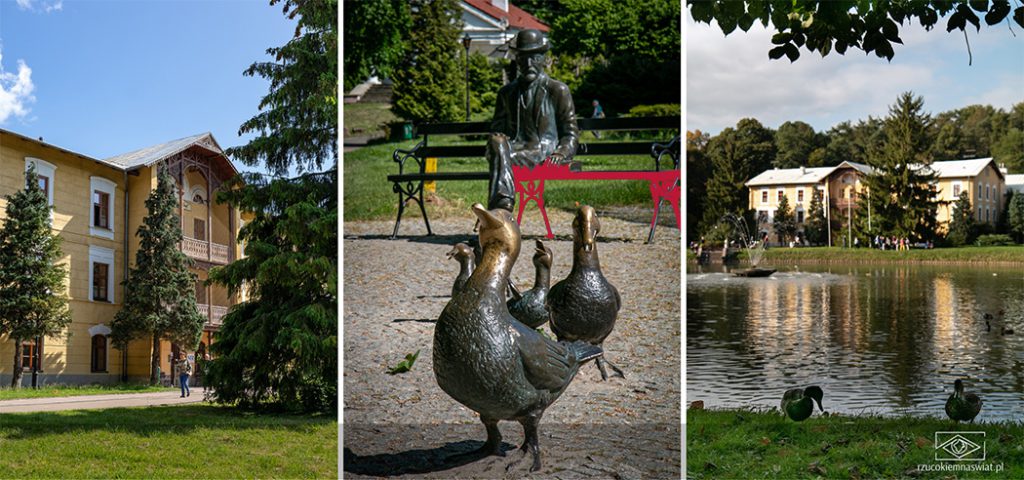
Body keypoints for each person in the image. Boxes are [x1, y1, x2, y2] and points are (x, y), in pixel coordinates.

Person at [486, 29, 579, 211]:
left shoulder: (557, 90)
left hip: (542, 152)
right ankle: (501, 208)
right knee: (497, 143)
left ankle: (499, 211)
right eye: (522, 57)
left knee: (500, 156)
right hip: (511, 150)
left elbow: (571, 133)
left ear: (543, 59)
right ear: (517, 59)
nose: (528, 63)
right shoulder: (506, 93)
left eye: (534, 57)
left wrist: (561, 153)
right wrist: (500, 141)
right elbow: (497, 129)